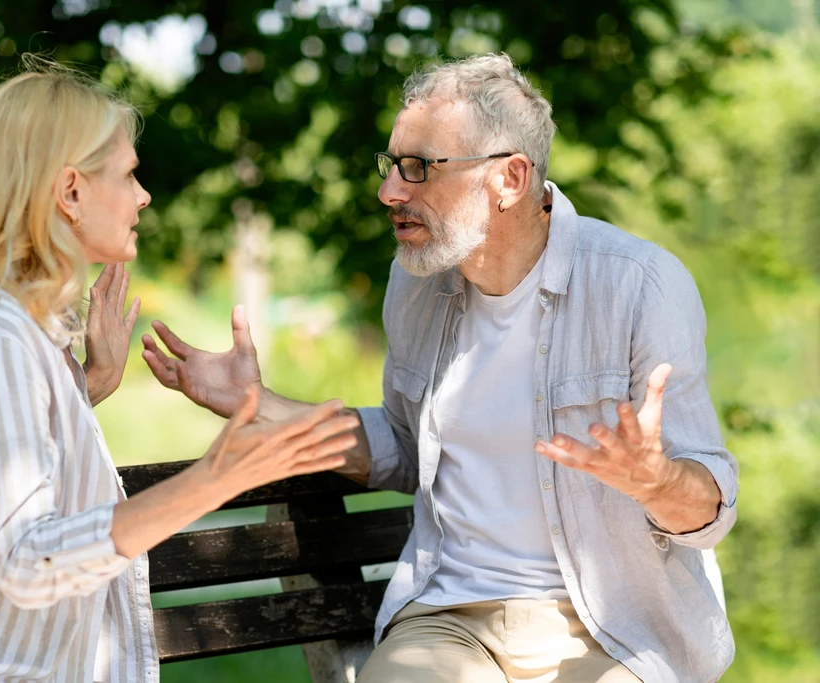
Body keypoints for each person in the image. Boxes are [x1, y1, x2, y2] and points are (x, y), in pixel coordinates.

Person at [141, 53, 739, 683]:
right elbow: (403, 446)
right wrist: (257, 402)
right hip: (449, 619)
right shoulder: (416, 283)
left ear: (509, 178)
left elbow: (711, 511)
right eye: (392, 165)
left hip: (613, 626)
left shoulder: (639, 285)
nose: (389, 192)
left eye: (420, 168)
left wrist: (655, 480)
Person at [0, 57, 360, 683]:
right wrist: (213, 479)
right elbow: (31, 560)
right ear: (70, 192)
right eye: (128, 175)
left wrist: (83, 389)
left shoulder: (12, 334)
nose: (142, 196)